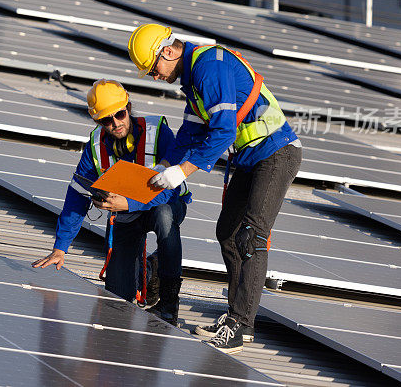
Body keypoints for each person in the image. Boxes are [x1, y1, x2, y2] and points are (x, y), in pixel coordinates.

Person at [127, 23, 302, 353]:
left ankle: (241, 324)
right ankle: (235, 317)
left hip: (276, 152)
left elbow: (221, 133)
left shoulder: (209, 66)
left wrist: (181, 172)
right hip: (251, 157)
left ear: (167, 52)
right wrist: (163, 168)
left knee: (252, 234)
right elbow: (189, 137)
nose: (153, 76)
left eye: (152, 69)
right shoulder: (193, 82)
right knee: (228, 232)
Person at [32, 79, 191, 325]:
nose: (116, 123)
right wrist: (60, 248)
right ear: (98, 121)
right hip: (125, 217)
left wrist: (130, 204)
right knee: (117, 302)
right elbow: (76, 195)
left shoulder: (157, 132)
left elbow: (172, 188)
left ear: (128, 106)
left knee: (164, 216)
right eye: (107, 120)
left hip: (163, 204)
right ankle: (149, 272)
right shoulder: (95, 147)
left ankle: (169, 303)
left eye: (120, 114)